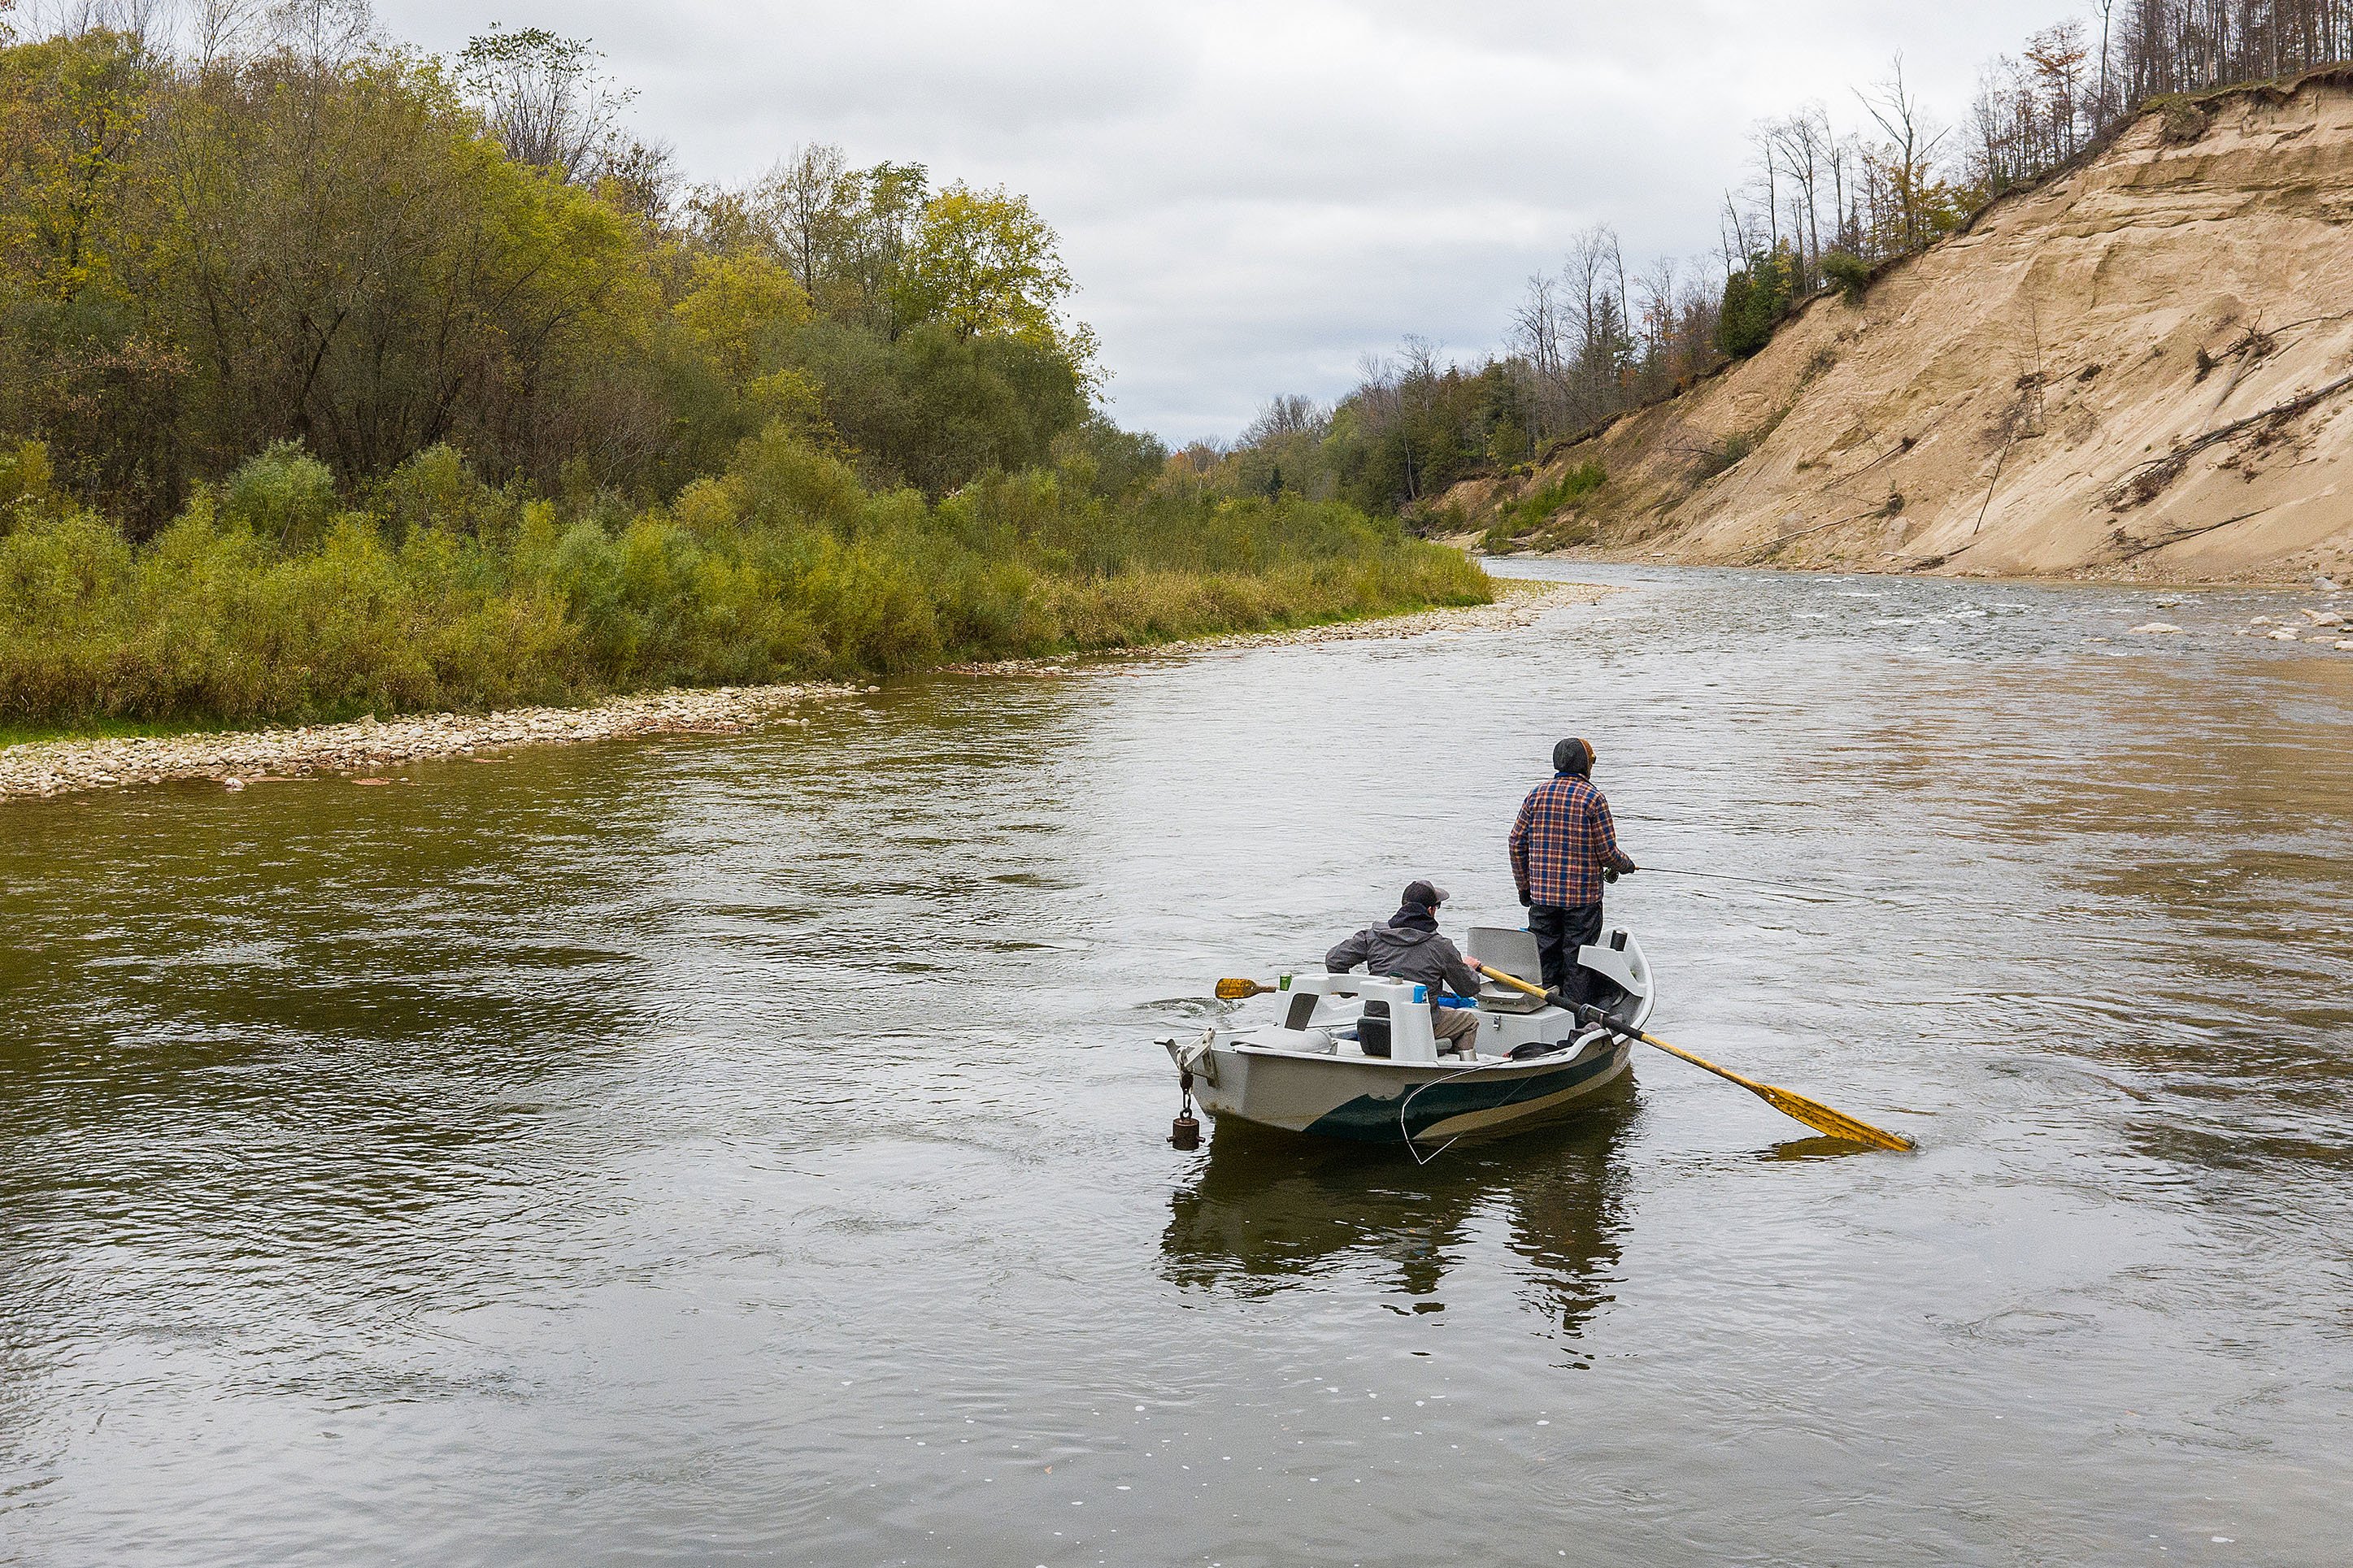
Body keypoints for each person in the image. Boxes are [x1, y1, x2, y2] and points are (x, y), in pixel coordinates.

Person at [1507, 737, 1637, 1010]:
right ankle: (1576, 1020)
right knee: (1578, 961)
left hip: (1542, 898)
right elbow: (1608, 854)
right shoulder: (1593, 799)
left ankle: (1545, 1015)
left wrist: (1524, 887)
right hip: (1582, 901)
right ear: (1584, 765)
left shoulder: (1537, 794)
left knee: (1544, 958)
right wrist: (1626, 865)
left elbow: (1516, 842)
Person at [1325, 880, 1485, 1059]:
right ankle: (1455, 1074)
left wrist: (1348, 992)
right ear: (1431, 911)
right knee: (1469, 1022)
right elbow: (1468, 989)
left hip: (1373, 1029)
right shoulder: (1441, 946)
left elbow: (1334, 960)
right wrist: (1468, 968)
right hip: (1417, 1030)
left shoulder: (1373, 936)